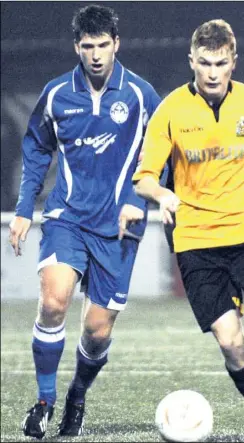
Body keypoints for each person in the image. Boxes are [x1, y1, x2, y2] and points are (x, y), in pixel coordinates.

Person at [129, 19, 244, 443]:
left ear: (234, 61)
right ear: (191, 61)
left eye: (220, 63)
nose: (212, 72)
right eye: (204, 63)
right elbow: (142, 178)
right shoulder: (171, 111)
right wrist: (162, 194)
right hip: (196, 243)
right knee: (231, 343)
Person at [9, 5, 162, 439]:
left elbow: (161, 150)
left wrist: (140, 197)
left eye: (103, 45)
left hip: (119, 228)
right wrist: (24, 209)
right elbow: (38, 148)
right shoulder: (57, 94)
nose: (95, 55)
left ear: (117, 43)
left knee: (96, 332)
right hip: (66, 217)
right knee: (54, 301)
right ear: (77, 47)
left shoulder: (140, 94)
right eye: (87, 46)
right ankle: (44, 402)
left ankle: (77, 392)